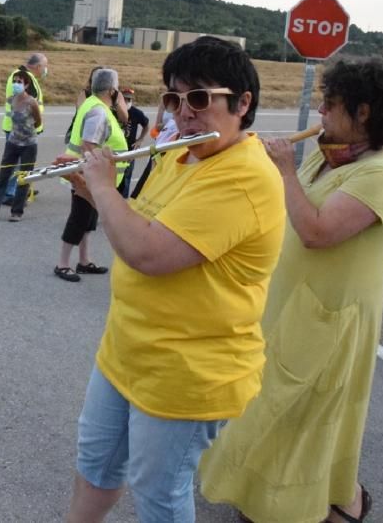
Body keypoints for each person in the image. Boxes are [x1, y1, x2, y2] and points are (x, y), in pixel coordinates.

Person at [63, 37, 285, 522]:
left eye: (200, 98)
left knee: (159, 492)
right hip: (127, 351)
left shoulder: (244, 176)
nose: (184, 113)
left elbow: (146, 252)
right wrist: (89, 186)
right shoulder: (181, 156)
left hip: (188, 370)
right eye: (174, 99)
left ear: (242, 103)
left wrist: (103, 185)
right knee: (96, 465)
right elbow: (140, 219)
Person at [199, 60, 383, 523]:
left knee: (304, 419)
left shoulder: (382, 173)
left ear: (363, 112)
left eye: (330, 105)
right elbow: (285, 208)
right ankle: (267, 501)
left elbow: (317, 231)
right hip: (291, 307)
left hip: (331, 320)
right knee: (268, 408)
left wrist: (285, 171)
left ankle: (334, 506)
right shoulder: (332, 150)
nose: (320, 112)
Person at [53, 68, 129, 283]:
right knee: (79, 218)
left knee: (88, 219)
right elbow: (89, 144)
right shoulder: (99, 111)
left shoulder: (94, 105)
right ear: (113, 90)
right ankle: (63, 263)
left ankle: (84, 261)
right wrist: (93, 177)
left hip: (89, 173)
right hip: (85, 174)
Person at [0, 70, 42, 221]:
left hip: (29, 144)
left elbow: (38, 121)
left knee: (23, 178)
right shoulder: (11, 100)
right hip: (13, 142)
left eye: (20, 82)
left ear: (26, 85)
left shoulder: (31, 102)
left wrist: (27, 132)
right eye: (15, 81)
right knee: (3, 176)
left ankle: (17, 212)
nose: (16, 84)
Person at [0, 54, 46, 204]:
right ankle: (10, 194)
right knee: (17, 163)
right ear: (38, 66)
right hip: (21, 129)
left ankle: (21, 189)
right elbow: (28, 103)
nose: (45, 70)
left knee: (21, 162)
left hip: (19, 127)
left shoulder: (21, 75)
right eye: (45, 66)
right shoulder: (24, 77)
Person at [116, 87, 149, 198]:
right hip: (114, 150)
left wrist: (140, 139)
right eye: (124, 99)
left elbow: (146, 125)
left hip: (129, 151)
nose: (126, 102)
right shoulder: (114, 111)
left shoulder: (136, 113)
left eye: (129, 100)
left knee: (126, 176)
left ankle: (122, 199)